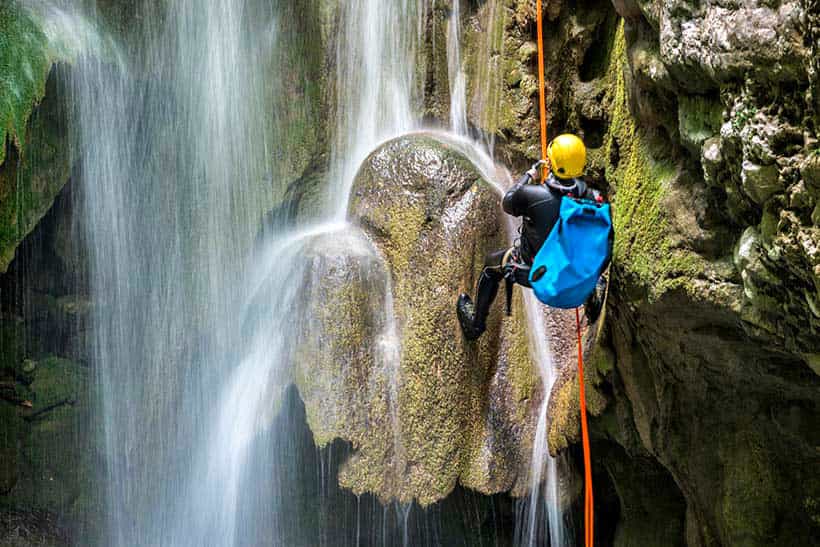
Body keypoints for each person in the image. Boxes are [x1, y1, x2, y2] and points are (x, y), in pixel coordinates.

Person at [456, 133, 609, 340]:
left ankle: (476, 325)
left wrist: (529, 174)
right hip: (574, 272)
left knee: (490, 267)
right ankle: (591, 304)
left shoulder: (532, 195)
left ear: (552, 161)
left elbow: (508, 201)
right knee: (582, 253)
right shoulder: (592, 199)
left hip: (533, 273)